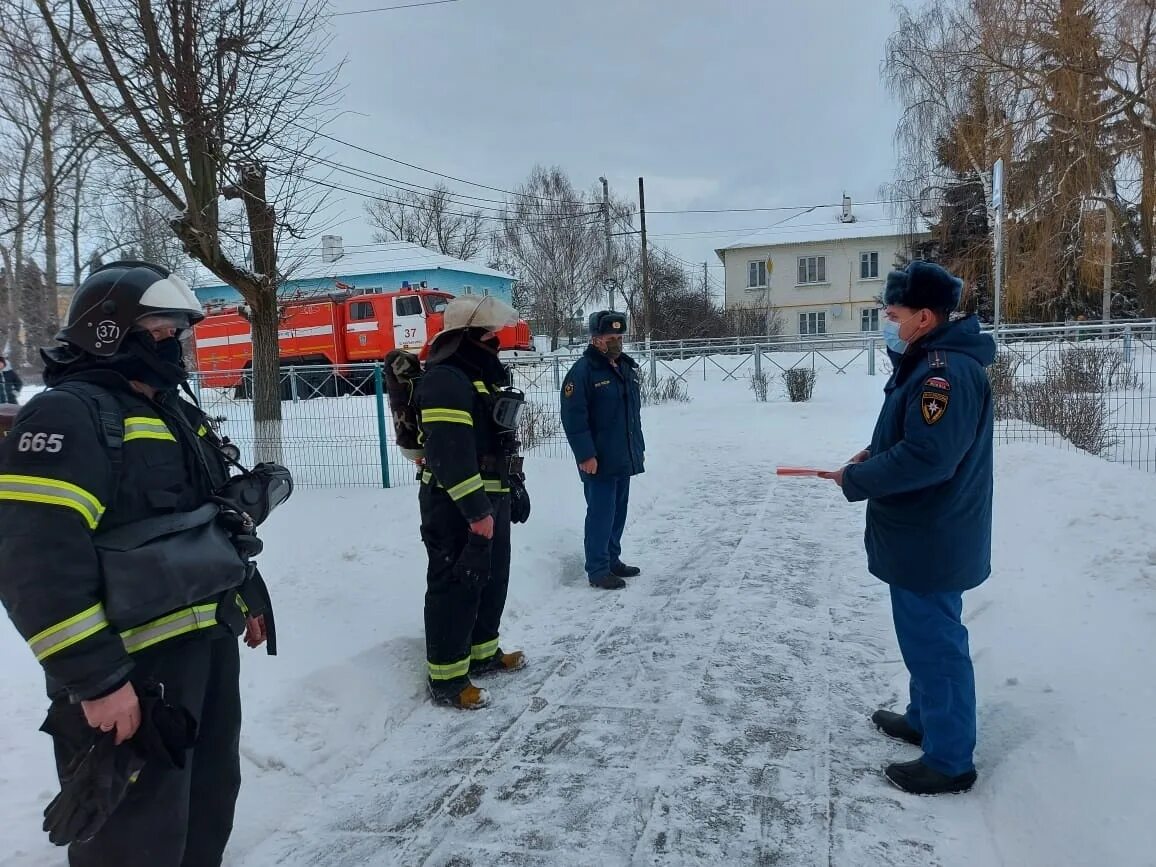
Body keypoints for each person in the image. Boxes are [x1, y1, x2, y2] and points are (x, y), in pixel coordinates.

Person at [0, 260, 278, 865]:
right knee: (134, 839)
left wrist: (247, 594)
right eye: (159, 328)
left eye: (177, 331)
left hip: (203, 654)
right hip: (127, 676)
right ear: (108, 330)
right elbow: (33, 563)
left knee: (206, 809)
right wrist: (97, 680)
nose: (171, 343)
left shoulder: (171, 412)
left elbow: (209, 519)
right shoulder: (66, 416)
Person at [819, 260, 995, 796]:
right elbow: (914, 437)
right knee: (922, 637)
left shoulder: (944, 372)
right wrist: (874, 452)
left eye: (892, 314)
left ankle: (948, 760)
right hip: (924, 532)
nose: (886, 322)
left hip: (932, 535)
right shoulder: (927, 362)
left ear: (923, 316)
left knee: (936, 644)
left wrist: (859, 477)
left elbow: (929, 457)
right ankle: (925, 717)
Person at [415, 294, 530, 711]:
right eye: (487, 334)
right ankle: (447, 678)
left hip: (488, 496)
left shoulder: (479, 377)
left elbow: (497, 438)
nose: (494, 341)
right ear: (465, 337)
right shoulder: (446, 379)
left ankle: (482, 655)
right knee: (456, 587)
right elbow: (450, 454)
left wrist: (513, 484)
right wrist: (476, 511)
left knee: (491, 578)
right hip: (455, 505)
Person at [560, 310, 645, 590]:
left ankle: (612, 559)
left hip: (622, 455)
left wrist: (637, 450)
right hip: (597, 459)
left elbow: (631, 415)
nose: (617, 342)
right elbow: (574, 417)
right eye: (611, 337)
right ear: (596, 339)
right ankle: (597, 569)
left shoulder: (624, 368)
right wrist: (585, 455)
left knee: (618, 511)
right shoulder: (583, 373)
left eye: (620, 337)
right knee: (601, 513)